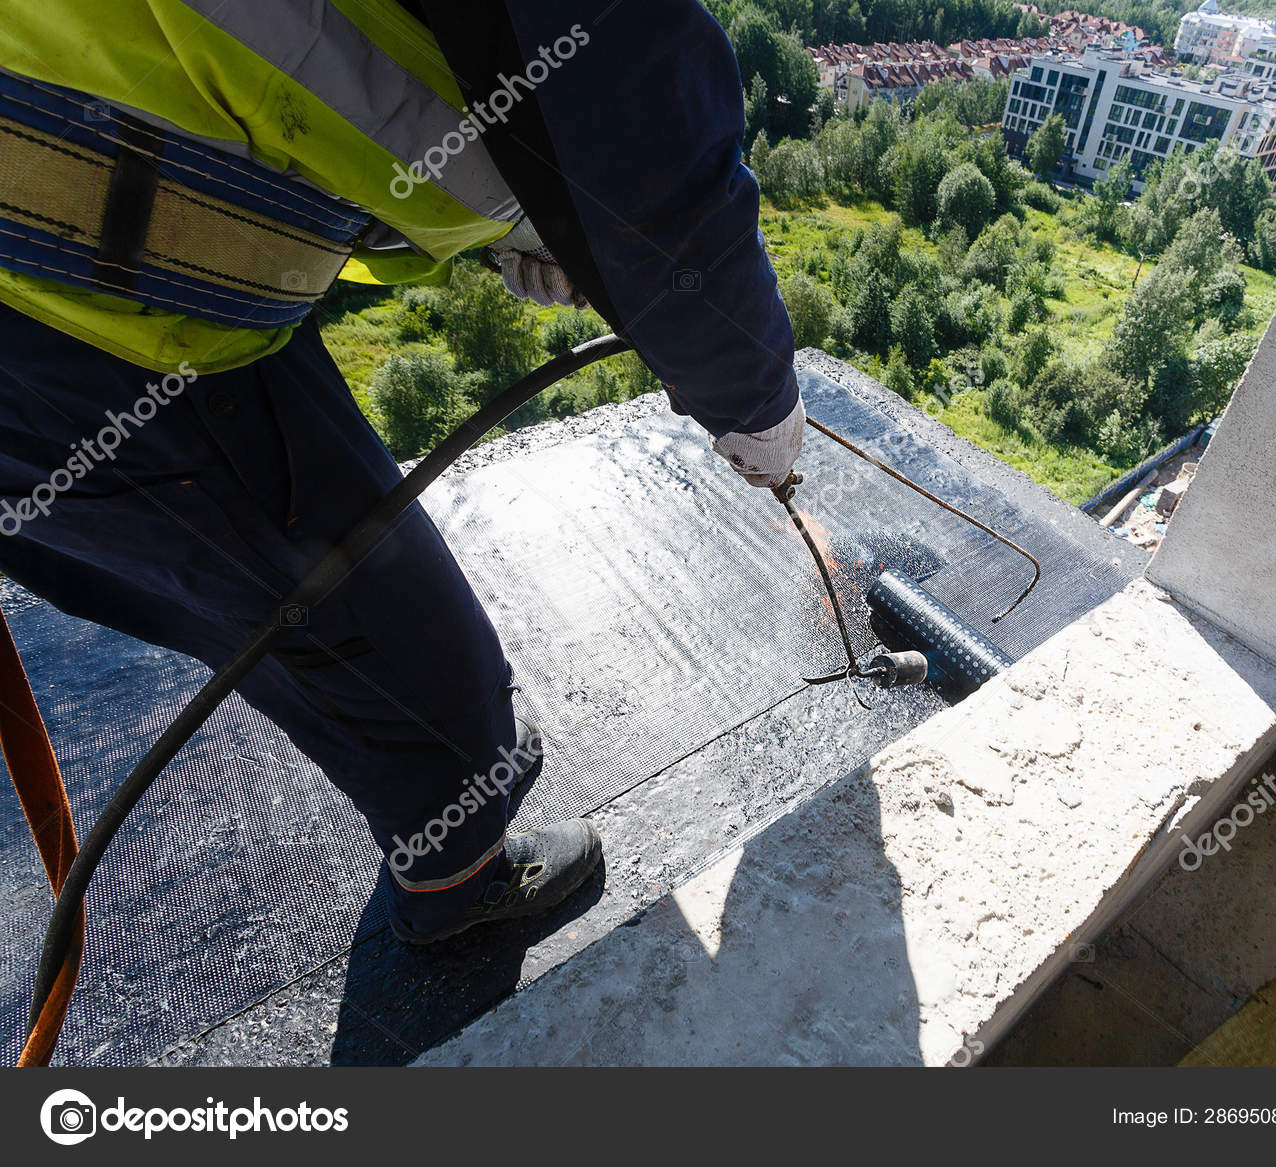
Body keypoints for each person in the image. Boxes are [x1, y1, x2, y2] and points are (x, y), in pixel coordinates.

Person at [0, 0, 802, 944]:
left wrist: (524, 217)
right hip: (88, 313)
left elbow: (347, 86)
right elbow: (660, 164)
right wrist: (756, 400)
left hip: (121, 280)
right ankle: (453, 873)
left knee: (270, 592)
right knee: (412, 656)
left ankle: (443, 768)